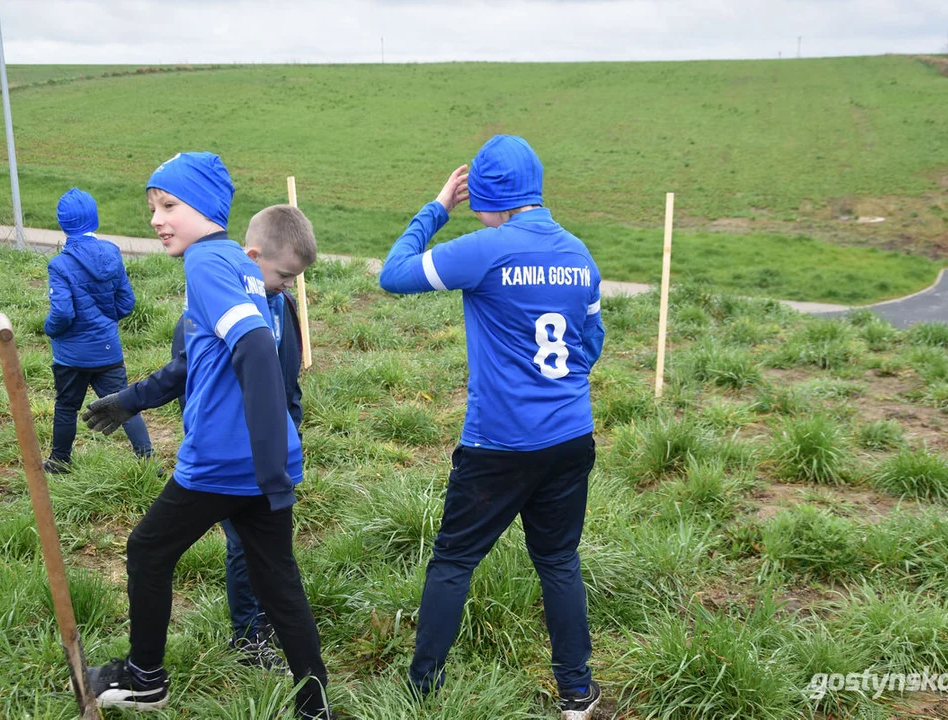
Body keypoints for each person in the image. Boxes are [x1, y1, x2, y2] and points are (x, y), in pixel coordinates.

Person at [83, 153, 329, 718]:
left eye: (169, 205)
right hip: (271, 464)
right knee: (279, 586)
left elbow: (254, 352)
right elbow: (197, 362)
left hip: (224, 464)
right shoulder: (243, 270)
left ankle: (146, 676)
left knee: (147, 550)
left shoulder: (208, 263)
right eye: (153, 209)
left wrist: (263, 465)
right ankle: (315, 708)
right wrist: (129, 400)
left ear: (207, 210)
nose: (157, 219)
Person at [378, 135, 606, 720]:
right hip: (570, 436)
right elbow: (591, 344)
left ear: (485, 194)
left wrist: (437, 207)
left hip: (498, 446)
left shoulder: (483, 249)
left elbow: (394, 273)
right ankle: (577, 692)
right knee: (558, 562)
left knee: (454, 561)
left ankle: (422, 689)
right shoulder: (580, 254)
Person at [42, 188, 152, 474]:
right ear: (95, 219)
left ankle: (59, 461)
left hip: (71, 356)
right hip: (107, 349)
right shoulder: (112, 254)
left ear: (62, 223)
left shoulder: (60, 265)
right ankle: (148, 461)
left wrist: (50, 329)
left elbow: (63, 313)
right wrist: (104, 321)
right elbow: (127, 302)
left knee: (66, 406)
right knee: (124, 404)